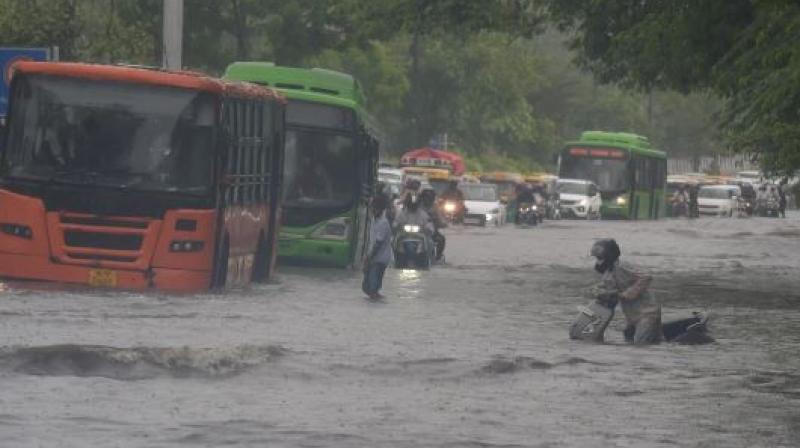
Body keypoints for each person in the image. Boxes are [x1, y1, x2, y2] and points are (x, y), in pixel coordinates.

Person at [589, 239, 710, 345]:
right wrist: (597, 291)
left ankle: (688, 339)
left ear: (609, 256)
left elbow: (646, 276)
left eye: (599, 258)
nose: (598, 262)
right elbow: (607, 288)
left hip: (647, 314)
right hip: (634, 316)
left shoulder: (622, 266)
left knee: (640, 346)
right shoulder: (609, 273)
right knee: (642, 340)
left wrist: (628, 293)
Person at [362, 195, 393, 300]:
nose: (373, 210)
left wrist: (369, 257)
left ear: (381, 209)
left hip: (380, 259)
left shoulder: (383, 223)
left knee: (372, 288)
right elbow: (371, 241)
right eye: (372, 208)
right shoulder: (374, 221)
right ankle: (377, 298)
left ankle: (376, 297)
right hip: (373, 257)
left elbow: (378, 244)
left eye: (375, 208)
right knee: (366, 288)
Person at [420, 188, 446, 260]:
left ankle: (438, 256)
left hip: (430, 231)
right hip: (416, 231)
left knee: (441, 239)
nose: (427, 199)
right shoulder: (416, 206)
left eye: (429, 198)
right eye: (425, 197)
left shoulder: (435, 207)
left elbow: (440, 218)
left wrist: (442, 223)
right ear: (422, 198)